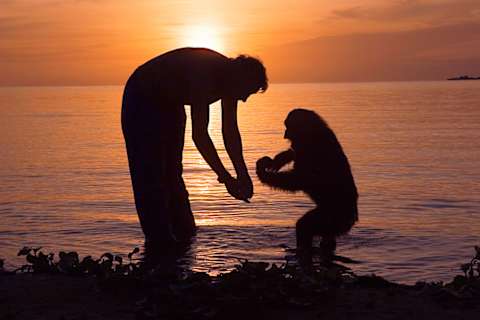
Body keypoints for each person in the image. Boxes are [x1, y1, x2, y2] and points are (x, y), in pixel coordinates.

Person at [121, 47, 268, 245]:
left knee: (173, 173)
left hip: (171, 103)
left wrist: (243, 174)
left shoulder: (230, 83)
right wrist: (226, 178)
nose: (244, 99)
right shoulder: (206, 74)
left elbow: (230, 132)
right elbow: (199, 135)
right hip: (142, 98)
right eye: (246, 92)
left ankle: (183, 234)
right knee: (152, 176)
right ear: (240, 79)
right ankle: (160, 242)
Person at [256, 109, 358, 260]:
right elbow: (300, 153)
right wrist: (283, 159)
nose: (286, 135)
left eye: (289, 129)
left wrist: (265, 177)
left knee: (304, 227)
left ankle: (305, 267)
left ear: (302, 129)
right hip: (343, 209)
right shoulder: (322, 138)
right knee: (322, 235)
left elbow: (298, 181)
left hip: (339, 212)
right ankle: (326, 262)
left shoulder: (315, 143)